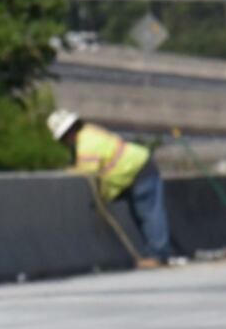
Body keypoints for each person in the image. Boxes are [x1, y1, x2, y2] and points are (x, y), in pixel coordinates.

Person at [47, 109, 171, 261]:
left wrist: (70, 171)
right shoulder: (89, 132)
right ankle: (154, 252)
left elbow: (87, 171)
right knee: (142, 214)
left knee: (149, 213)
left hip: (137, 170)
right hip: (132, 172)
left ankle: (158, 254)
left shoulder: (87, 144)